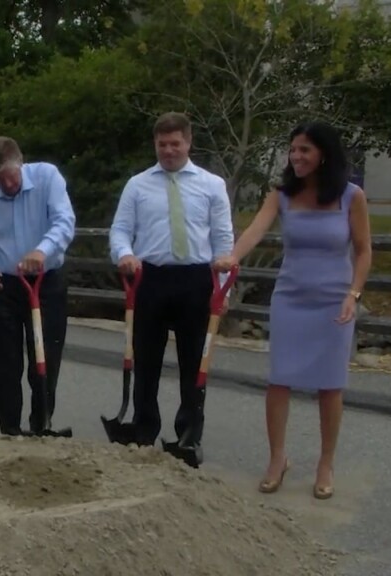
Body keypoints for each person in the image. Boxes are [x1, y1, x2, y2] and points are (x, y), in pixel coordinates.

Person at [213, 122, 371, 499]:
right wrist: (233, 256)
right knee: (279, 380)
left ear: (323, 155)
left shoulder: (352, 196)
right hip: (290, 298)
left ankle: (325, 463)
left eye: (305, 150)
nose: (296, 157)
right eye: (293, 149)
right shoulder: (282, 194)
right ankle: (277, 458)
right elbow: (255, 230)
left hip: (335, 301)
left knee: (330, 386)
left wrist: (354, 294)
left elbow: (364, 251)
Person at [108, 111, 235, 452]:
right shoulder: (137, 185)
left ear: (188, 142)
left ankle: (188, 434)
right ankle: (143, 428)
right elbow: (120, 229)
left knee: (194, 363)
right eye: (162, 144)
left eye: (175, 143)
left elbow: (223, 238)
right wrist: (124, 253)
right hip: (149, 278)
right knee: (145, 360)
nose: (168, 151)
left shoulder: (212, 185)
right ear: (155, 144)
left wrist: (224, 288)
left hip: (196, 280)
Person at [0, 136, 76, 435]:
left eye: (11, 177)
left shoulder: (47, 177)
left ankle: (41, 423)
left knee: (45, 356)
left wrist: (42, 250)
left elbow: (64, 221)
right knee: (4, 363)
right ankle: (9, 429)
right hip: (2, 286)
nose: (8, 185)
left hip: (45, 280)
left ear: (21, 165)